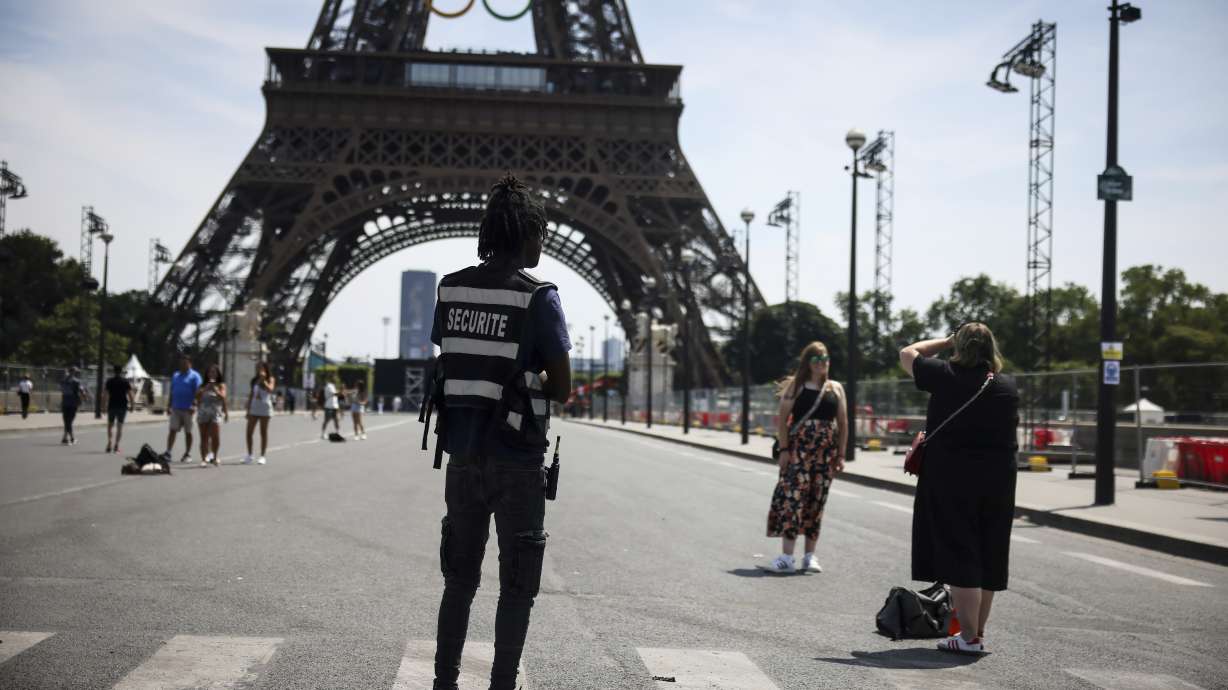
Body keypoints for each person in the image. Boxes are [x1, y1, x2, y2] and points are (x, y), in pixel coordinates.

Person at [428, 175, 572, 690]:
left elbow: (453, 363)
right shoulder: (541, 298)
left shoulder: (452, 287)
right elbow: (563, 389)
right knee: (517, 586)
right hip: (517, 460)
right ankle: (502, 685)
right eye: (540, 233)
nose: (543, 243)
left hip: (463, 456)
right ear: (524, 233)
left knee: (458, 582)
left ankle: (444, 682)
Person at [899, 322, 1019, 655]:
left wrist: (946, 340)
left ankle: (968, 638)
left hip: (951, 479)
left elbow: (908, 353)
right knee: (988, 553)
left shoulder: (944, 376)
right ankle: (976, 632)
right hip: (999, 482)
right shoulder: (1007, 386)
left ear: (960, 347)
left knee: (960, 552)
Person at [765, 341, 847, 573]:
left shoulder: (836, 389)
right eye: (817, 360)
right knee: (793, 499)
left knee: (817, 500)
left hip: (825, 453)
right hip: (798, 451)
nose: (822, 364)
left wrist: (841, 454)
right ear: (808, 363)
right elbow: (782, 420)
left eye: (825, 360)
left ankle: (809, 556)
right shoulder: (796, 386)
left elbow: (843, 423)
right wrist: (783, 450)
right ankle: (787, 557)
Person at [165, 355, 202, 462]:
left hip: (188, 409)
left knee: (188, 432)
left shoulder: (195, 376)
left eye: (185, 363)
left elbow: (199, 392)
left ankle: (187, 453)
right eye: (181, 363)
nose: (183, 365)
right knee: (172, 430)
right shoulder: (176, 375)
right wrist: (169, 405)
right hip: (176, 408)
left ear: (190, 364)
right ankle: (168, 452)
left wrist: (194, 405)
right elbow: (172, 391)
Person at [196, 364, 228, 466]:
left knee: (215, 436)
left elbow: (223, 397)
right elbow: (197, 397)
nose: (212, 374)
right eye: (210, 372)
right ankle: (204, 459)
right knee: (203, 437)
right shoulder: (202, 385)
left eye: (214, 372)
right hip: (203, 413)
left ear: (218, 374)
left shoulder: (221, 385)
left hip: (216, 413)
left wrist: (216, 390)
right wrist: (204, 389)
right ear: (207, 374)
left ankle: (215, 457)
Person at [244, 361, 275, 464]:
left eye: (261, 368)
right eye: (257, 368)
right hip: (254, 408)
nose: (259, 370)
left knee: (263, 432)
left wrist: (263, 381)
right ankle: (249, 455)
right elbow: (251, 394)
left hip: (265, 409)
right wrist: (248, 409)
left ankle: (262, 456)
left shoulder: (270, 379)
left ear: (265, 369)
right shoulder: (254, 380)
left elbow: (270, 390)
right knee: (249, 432)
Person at [103, 365, 134, 454]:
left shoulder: (109, 381)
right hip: (122, 406)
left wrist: (103, 407)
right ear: (121, 372)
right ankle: (116, 445)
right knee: (119, 427)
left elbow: (104, 395)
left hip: (112, 405)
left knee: (110, 425)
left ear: (114, 371)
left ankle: (109, 442)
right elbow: (130, 395)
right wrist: (132, 405)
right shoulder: (125, 382)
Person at [59, 367, 90, 445]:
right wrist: (85, 398)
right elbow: (82, 391)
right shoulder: (76, 381)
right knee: (69, 421)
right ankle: (72, 438)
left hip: (65, 402)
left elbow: (61, 390)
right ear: (74, 373)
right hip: (73, 403)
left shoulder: (63, 381)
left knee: (67, 421)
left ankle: (65, 438)